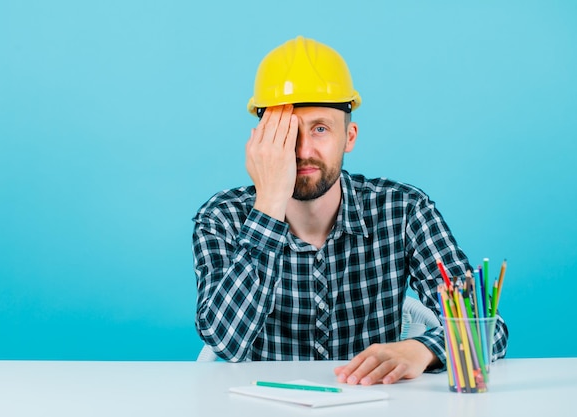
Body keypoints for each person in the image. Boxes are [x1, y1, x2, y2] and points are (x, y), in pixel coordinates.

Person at [192, 36, 508, 385]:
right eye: (287, 133)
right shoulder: (221, 217)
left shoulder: (403, 210)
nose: (303, 150)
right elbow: (224, 341)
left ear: (350, 136)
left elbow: (488, 328)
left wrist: (422, 349)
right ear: (260, 143)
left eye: (320, 129)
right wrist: (268, 204)